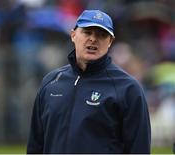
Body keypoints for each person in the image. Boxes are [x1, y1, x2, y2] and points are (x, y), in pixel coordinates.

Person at [27, 9, 151, 154]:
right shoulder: (51, 82)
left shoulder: (128, 88)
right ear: (73, 35)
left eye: (102, 34)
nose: (93, 39)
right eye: (87, 32)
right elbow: (35, 145)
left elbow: (139, 149)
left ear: (110, 41)